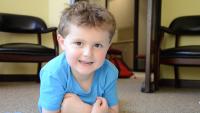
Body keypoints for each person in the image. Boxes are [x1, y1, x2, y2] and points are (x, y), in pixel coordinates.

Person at [38, 1, 119, 113]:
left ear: (108, 47)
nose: (88, 53)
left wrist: (84, 109)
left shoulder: (110, 72)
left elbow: (114, 111)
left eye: (97, 45)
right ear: (62, 42)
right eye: (78, 43)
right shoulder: (53, 72)